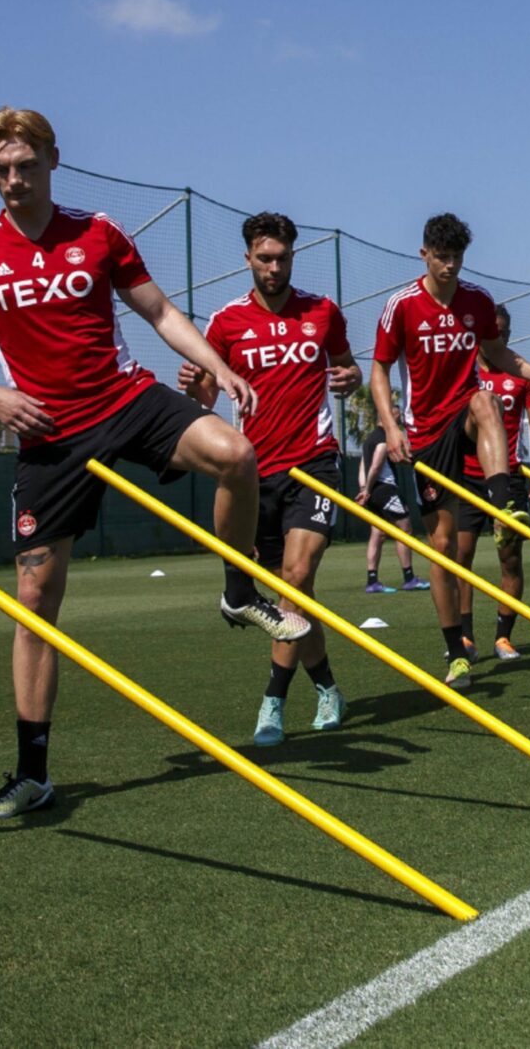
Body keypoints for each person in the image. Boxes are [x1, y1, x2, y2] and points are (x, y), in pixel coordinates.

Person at [0, 108, 303, 823]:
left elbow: (160, 310)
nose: (14, 179)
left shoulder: (97, 232)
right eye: (2, 168)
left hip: (124, 397)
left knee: (236, 453)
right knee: (36, 601)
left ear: (52, 160)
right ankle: (32, 774)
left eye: (27, 165)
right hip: (47, 434)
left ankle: (236, 588)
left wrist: (215, 364)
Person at [367, 213, 530, 690]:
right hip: (426, 434)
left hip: (465, 414)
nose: (451, 266)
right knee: (443, 551)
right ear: (424, 255)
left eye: (457, 257)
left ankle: (505, 509)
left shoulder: (477, 301)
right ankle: (456, 651)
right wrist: (391, 427)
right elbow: (379, 371)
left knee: (485, 400)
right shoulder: (402, 306)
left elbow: (500, 356)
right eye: (442, 258)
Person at [186, 211, 363, 746]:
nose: (273, 267)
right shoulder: (225, 323)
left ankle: (273, 702)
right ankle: (328, 686)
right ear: (248, 259)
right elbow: (206, 399)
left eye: (282, 258)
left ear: (293, 257)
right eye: (264, 258)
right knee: (294, 595)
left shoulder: (322, 312)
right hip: (255, 474)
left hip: (314, 462)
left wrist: (351, 377)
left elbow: (347, 369)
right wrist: (196, 382)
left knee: (295, 576)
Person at [467, 305, 530, 658]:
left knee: (511, 560)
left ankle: (503, 636)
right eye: (493, 331)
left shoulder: (524, 377)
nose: (497, 337)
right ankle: (464, 638)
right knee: (459, 559)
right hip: (466, 476)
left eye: (503, 331)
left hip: (510, 476)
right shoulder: (464, 371)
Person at [356, 431, 428, 594]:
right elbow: (375, 465)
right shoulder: (383, 437)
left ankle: (372, 581)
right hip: (385, 490)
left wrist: (363, 488)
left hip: (372, 490)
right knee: (404, 529)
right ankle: (409, 579)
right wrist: (367, 489)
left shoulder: (369, 438)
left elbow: (363, 465)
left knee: (377, 533)